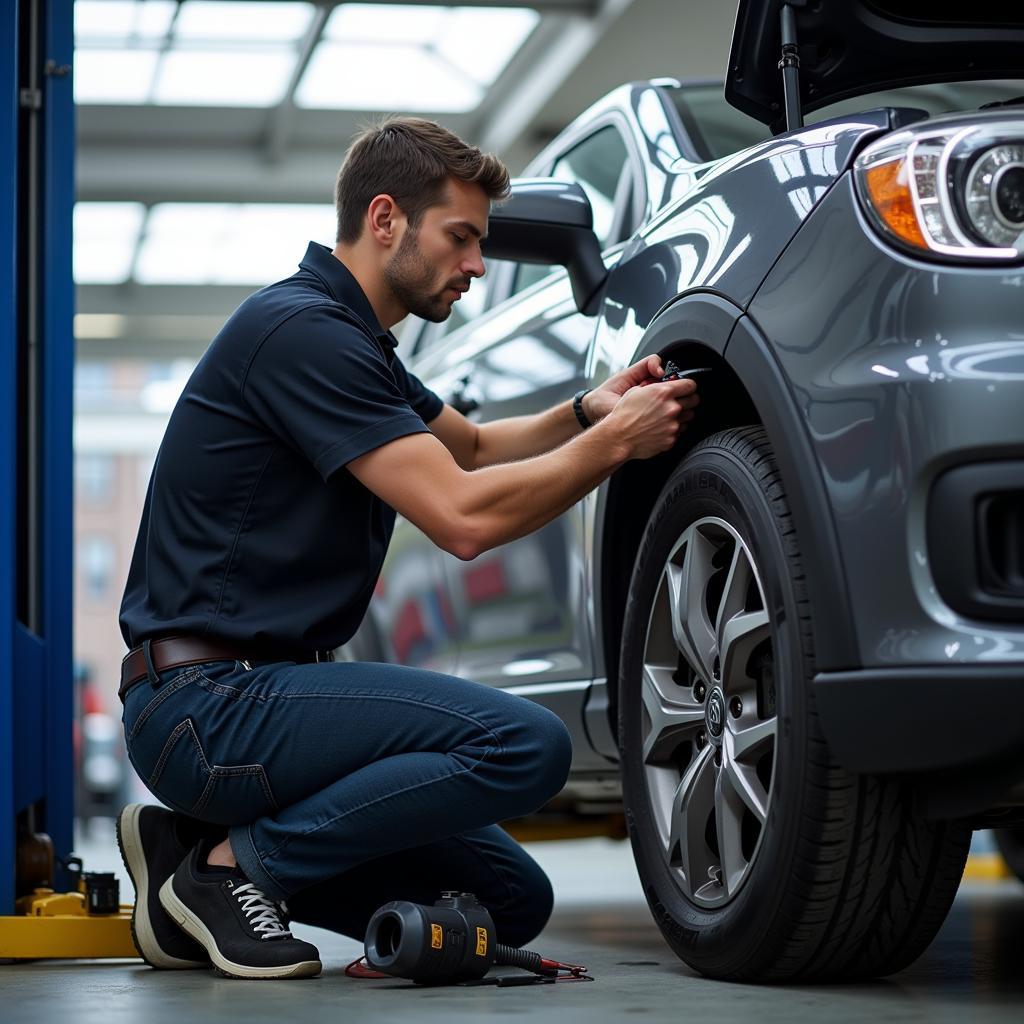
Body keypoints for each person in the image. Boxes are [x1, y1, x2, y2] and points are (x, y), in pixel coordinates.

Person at [115, 117, 700, 981]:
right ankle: (228, 872)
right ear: (385, 218)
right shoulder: (303, 333)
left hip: (262, 699)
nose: (477, 265)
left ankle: (191, 851)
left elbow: (469, 447)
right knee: (522, 747)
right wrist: (617, 448)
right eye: (460, 238)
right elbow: (463, 519)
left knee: (506, 901)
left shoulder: (356, 344)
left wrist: (590, 411)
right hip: (210, 704)